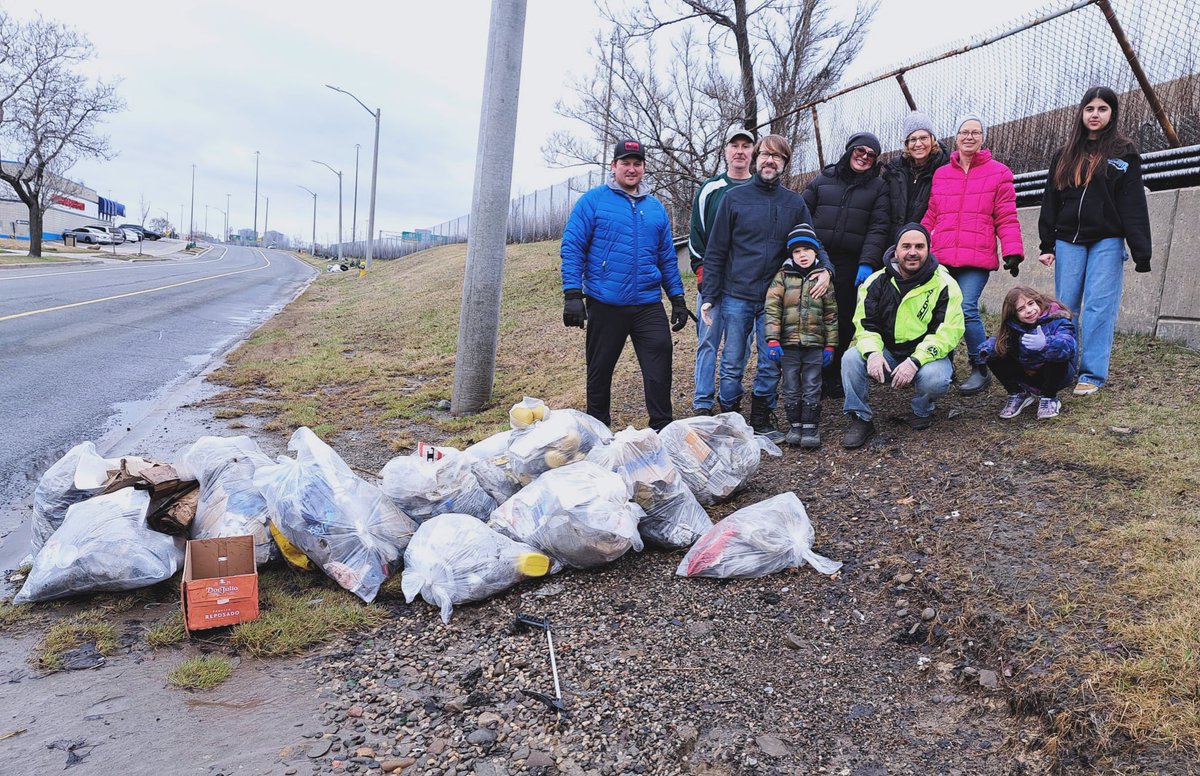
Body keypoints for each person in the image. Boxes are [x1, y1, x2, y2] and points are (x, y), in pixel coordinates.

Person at [700, 133, 833, 437]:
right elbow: (717, 248)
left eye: (778, 157)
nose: (769, 160)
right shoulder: (734, 198)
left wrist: (826, 269)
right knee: (733, 359)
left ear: (784, 163)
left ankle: (762, 416)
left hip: (777, 299)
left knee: (771, 361)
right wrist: (710, 294)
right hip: (736, 294)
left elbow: (811, 243)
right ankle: (730, 417)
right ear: (756, 158)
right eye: (765, 154)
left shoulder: (793, 202)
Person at [560, 138, 690, 431]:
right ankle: (598, 431)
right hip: (606, 302)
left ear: (644, 167)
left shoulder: (656, 208)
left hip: (647, 302)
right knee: (600, 370)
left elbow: (667, 257)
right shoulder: (593, 201)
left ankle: (662, 427)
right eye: (626, 163)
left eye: (637, 164)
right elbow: (572, 247)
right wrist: (572, 294)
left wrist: (677, 298)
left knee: (660, 360)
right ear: (614, 166)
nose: (631, 169)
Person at [1037, 86, 1152, 396]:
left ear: (1111, 113)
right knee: (1066, 308)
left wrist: (1142, 252)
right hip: (1069, 241)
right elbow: (1051, 199)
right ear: (1082, 113)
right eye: (1090, 109)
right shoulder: (1064, 154)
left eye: (1102, 109)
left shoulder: (1123, 152)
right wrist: (1047, 244)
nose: (1095, 114)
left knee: (1099, 308)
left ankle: (1092, 374)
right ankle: (1064, 366)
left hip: (1107, 240)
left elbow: (1133, 203)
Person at [922, 114, 1024, 395]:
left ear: (983, 138)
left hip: (976, 258)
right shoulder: (942, 173)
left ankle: (981, 367)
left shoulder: (999, 172)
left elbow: (1006, 215)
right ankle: (945, 364)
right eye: (964, 132)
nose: (969, 136)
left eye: (975, 132)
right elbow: (932, 214)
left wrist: (1012, 250)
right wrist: (915, 242)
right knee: (941, 312)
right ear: (956, 137)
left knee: (966, 308)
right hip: (942, 256)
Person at [841, 223, 964, 449]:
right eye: (906, 246)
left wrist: (915, 361)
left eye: (920, 246)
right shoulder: (876, 281)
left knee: (936, 379)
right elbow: (865, 323)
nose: (912, 252)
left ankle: (921, 410)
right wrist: (873, 353)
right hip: (887, 351)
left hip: (925, 356)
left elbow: (948, 331)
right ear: (895, 250)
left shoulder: (946, 284)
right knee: (850, 359)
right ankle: (860, 419)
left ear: (928, 249)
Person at [801, 131, 890, 393]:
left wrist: (867, 262)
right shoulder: (822, 180)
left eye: (871, 155)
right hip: (816, 257)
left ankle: (833, 370)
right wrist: (805, 250)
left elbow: (878, 227)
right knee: (811, 315)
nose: (864, 157)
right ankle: (806, 369)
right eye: (860, 151)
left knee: (844, 318)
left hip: (852, 262)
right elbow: (802, 213)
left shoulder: (878, 187)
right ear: (849, 150)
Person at [688, 126, 756, 415]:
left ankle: (731, 400)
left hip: (747, 287)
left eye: (746, 146)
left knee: (739, 347)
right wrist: (704, 277)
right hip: (714, 285)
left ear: (753, 151)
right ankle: (703, 403)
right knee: (707, 343)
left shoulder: (760, 190)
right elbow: (696, 236)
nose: (740, 151)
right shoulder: (710, 189)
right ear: (725, 151)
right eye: (734, 145)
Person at [764, 224, 838, 448]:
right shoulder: (782, 277)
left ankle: (810, 426)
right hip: (788, 344)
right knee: (790, 384)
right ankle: (794, 424)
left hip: (815, 344)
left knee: (813, 383)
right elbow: (772, 309)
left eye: (807, 249)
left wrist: (830, 346)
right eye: (797, 251)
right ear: (791, 254)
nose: (802, 255)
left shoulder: (823, 279)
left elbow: (831, 315)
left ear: (816, 252)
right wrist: (773, 340)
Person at [979, 286, 1077, 420]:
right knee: (995, 351)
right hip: (1028, 373)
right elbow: (1000, 341)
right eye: (1021, 309)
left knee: (1055, 351)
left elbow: (1069, 345)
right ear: (1014, 314)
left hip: (1057, 375)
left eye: (1031, 304)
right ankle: (1018, 393)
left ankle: (1049, 397)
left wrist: (1046, 344)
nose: (1029, 311)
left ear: (1038, 301)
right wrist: (987, 349)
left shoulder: (1058, 319)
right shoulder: (1013, 325)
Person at [884, 111, 950, 240]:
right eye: (913, 139)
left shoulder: (945, 170)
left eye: (923, 138)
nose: (918, 144)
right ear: (907, 144)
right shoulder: (894, 171)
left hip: (925, 242)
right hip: (894, 242)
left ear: (932, 139)